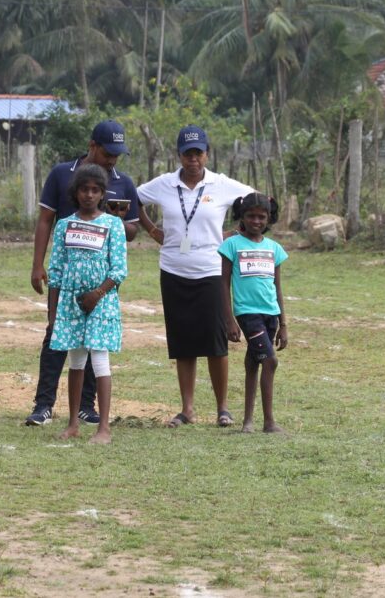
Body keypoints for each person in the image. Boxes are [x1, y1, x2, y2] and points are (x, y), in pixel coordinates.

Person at [137, 125, 255, 427]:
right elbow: (132, 199)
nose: (193, 160)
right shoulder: (164, 184)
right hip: (173, 270)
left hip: (211, 271)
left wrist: (236, 232)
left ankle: (222, 408)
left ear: (207, 154)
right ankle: (187, 409)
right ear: (179, 155)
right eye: (187, 154)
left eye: (198, 153)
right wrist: (152, 229)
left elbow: (256, 201)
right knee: (183, 342)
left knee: (216, 341)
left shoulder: (221, 184)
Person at [27, 120, 139, 427]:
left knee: (94, 343)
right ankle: (44, 404)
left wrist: (116, 220)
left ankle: (86, 407)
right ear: (92, 146)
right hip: (68, 282)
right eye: (107, 152)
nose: (112, 159)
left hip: (102, 282)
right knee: (56, 337)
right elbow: (46, 219)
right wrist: (38, 264)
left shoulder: (123, 182)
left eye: (117, 154)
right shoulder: (62, 173)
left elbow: (131, 231)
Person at [47, 164, 127, 444]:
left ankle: (104, 428)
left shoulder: (113, 225)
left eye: (95, 190)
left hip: (102, 301)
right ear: (76, 192)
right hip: (71, 301)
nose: (89, 195)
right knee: (76, 360)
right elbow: (56, 269)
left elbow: (119, 269)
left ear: (103, 194)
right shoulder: (64, 225)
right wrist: (53, 311)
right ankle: (73, 423)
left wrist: (98, 293)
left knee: (100, 359)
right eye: (84, 189)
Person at [219, 193, 288, 433]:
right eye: (251, 216)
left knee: (253, 363)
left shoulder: (274, 248)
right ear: (242, 216)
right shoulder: (231, 245)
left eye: (261, 217)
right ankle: (269, 422)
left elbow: (278, 287)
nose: (256, 221)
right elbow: (223, 284)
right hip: (247, 314)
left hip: (271, 314)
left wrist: (284, 324)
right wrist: (229, 320)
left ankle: (248, 422)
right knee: (270, 361)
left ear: (269, 218)